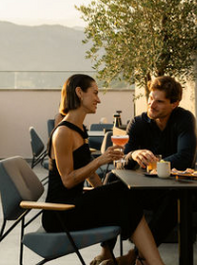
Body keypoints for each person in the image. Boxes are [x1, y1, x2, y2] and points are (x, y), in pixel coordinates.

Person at [43, 74, 166, 265]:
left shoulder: (79, 129)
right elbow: (67, 180)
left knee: (123, 190)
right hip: (60, 213)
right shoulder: (63, 132)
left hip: (74, 206)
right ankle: (151, 262)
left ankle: (147, 260)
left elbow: (90, 174)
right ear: (79, 93)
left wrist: (103, 191)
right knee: (123, 193)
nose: (98, 99)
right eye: (95, 93)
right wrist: (100, 161)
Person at [121, 75, 197, 244]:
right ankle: (106, 249)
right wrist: (133, 155)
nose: (151, 105)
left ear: (174, 104)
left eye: (159, 102)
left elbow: (185, 157)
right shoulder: (137, 122)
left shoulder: (184, 119)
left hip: (172, 188)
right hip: (144, 188)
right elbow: (123, 159)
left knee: (176, 199)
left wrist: (154, 165)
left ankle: (138, 256)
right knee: (114, 182)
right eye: (150, 98)